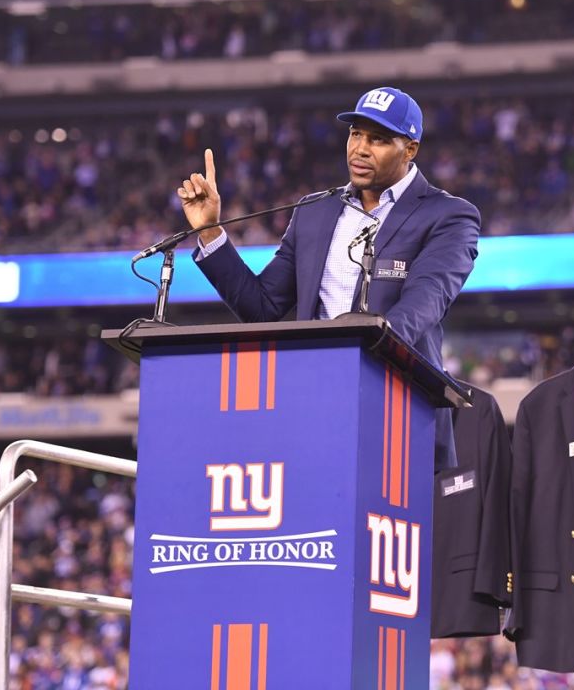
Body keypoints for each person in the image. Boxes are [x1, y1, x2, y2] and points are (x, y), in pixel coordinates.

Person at [176, 86, 481, 469]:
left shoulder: (448, 215)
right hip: (312, 414)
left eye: (379, 139)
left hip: (399, 415)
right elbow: (263, 308)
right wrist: (209, 232)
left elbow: (423, 304)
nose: (360, 149)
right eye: (355, 134)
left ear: (411, 149)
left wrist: (351, 355)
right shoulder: (314, 211)